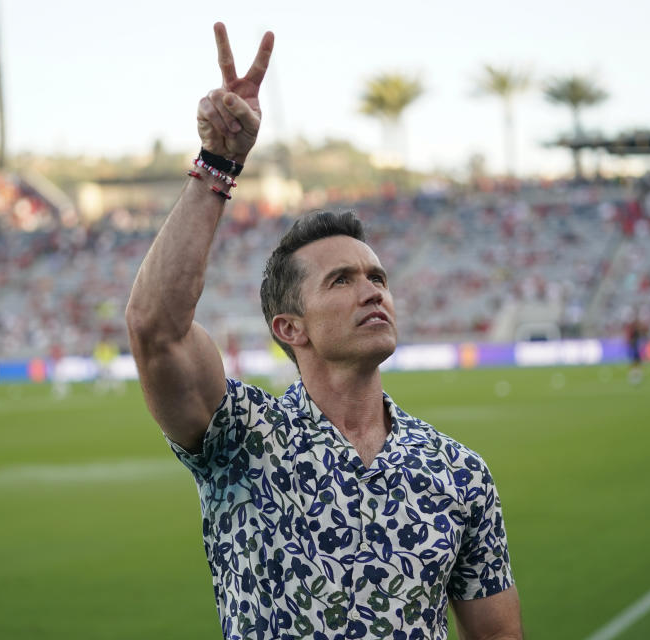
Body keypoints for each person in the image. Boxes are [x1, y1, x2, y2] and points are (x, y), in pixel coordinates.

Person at [126, 23, 522, 640]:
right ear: (290, 328)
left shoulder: (456, 473)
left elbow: (498, 635)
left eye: (377, 276)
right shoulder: (241, 440)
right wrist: (218, 165)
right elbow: (156, 330)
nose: (372, 289)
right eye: (341, 281)